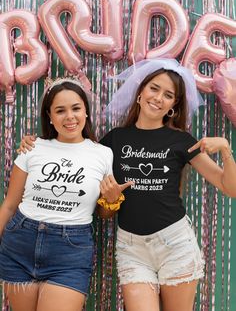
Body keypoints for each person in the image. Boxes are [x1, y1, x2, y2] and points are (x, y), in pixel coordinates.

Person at [17, 59, 236, 311]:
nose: (158, 98)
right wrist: (33, 144)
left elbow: (229, 187)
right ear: (140, 92)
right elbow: (97, 196)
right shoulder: (113, 140)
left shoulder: (181, 141)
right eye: (154, 89)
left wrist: (226, 151)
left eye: (168, 95)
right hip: (132, 248)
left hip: (175, 243)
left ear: (173, 105)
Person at [0, 78, 123, 311]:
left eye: (76, 108)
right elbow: (9, 205)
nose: (69, 117)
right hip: (20, 243)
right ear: (50, 116)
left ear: (86, 112)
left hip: (70, 252)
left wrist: (112, 199)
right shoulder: (32, 148)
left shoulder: (103, 154)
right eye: (60, 110)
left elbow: (104, 214)